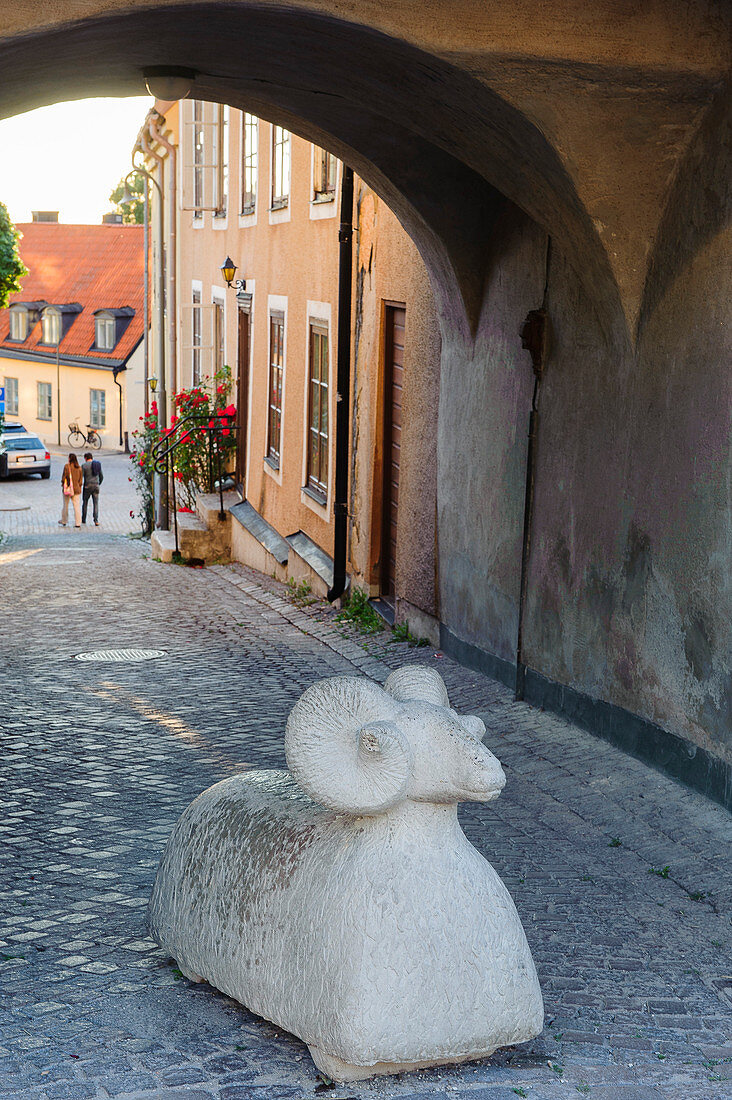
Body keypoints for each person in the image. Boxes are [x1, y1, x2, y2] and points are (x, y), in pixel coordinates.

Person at [59, 454, 83, 528]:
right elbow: (80, 480)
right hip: (76, 489)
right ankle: (78, 522)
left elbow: (64, 477)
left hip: (67, 489)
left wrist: (63, 483)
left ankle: (64, 520)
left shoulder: (67, 466)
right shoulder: (79, 468)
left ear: (69, 459)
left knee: (65, 505)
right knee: (76, 506)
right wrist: (79, 486)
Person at [81, 451, 103, 526]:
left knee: (85, 502)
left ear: (85, 458)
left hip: (87, 486)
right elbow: (101, 476)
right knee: (95, 503)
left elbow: (81, 476)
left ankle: (84, 519)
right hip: (96, 485)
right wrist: (98, 483)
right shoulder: (97, 464)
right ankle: (96, 520)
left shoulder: (84, 465)